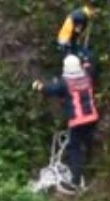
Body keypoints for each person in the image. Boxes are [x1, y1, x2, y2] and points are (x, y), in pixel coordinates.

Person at [32, 54, 100, 193]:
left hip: (78, 120)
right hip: (92, 118)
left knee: (75, 148)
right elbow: (91, 64)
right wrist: (85, 57)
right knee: (88, 142)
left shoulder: (65, 83)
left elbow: (50, 90)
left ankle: (75, 181)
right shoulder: (87, 75)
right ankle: (91, 164)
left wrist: (38, 86)